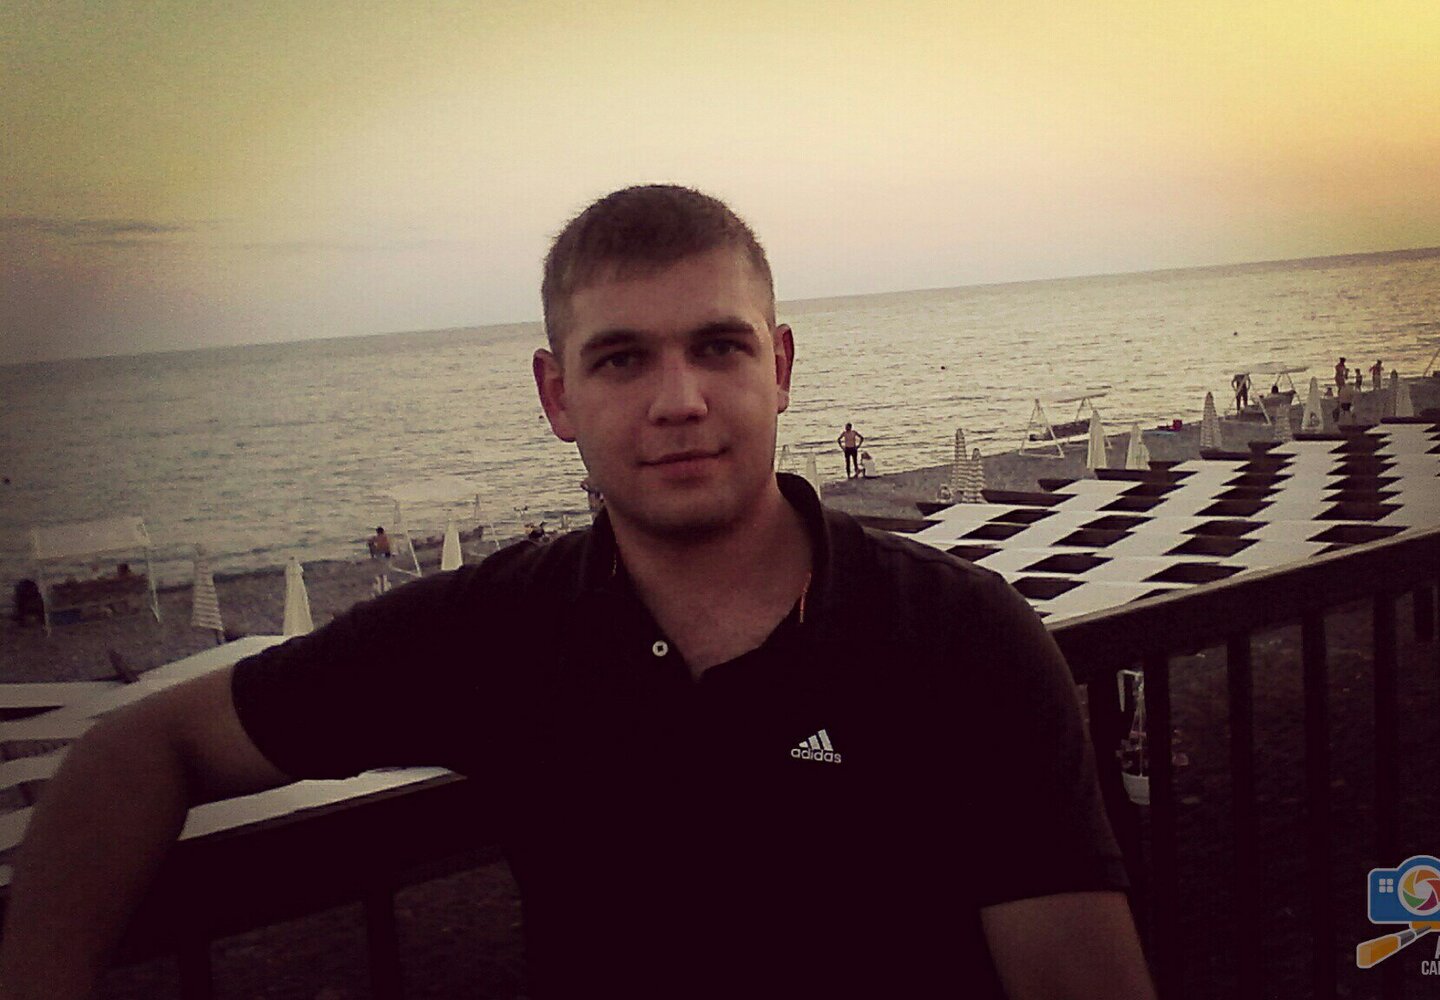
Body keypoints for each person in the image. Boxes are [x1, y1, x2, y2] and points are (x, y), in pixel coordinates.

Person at [0, 185, 1152, 1000]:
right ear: (557, 395)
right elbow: (144, 745)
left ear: (782, 366)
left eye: (719, 346)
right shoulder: (500, 631)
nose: (679, 398)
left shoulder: (957, 639)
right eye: (621, 358)